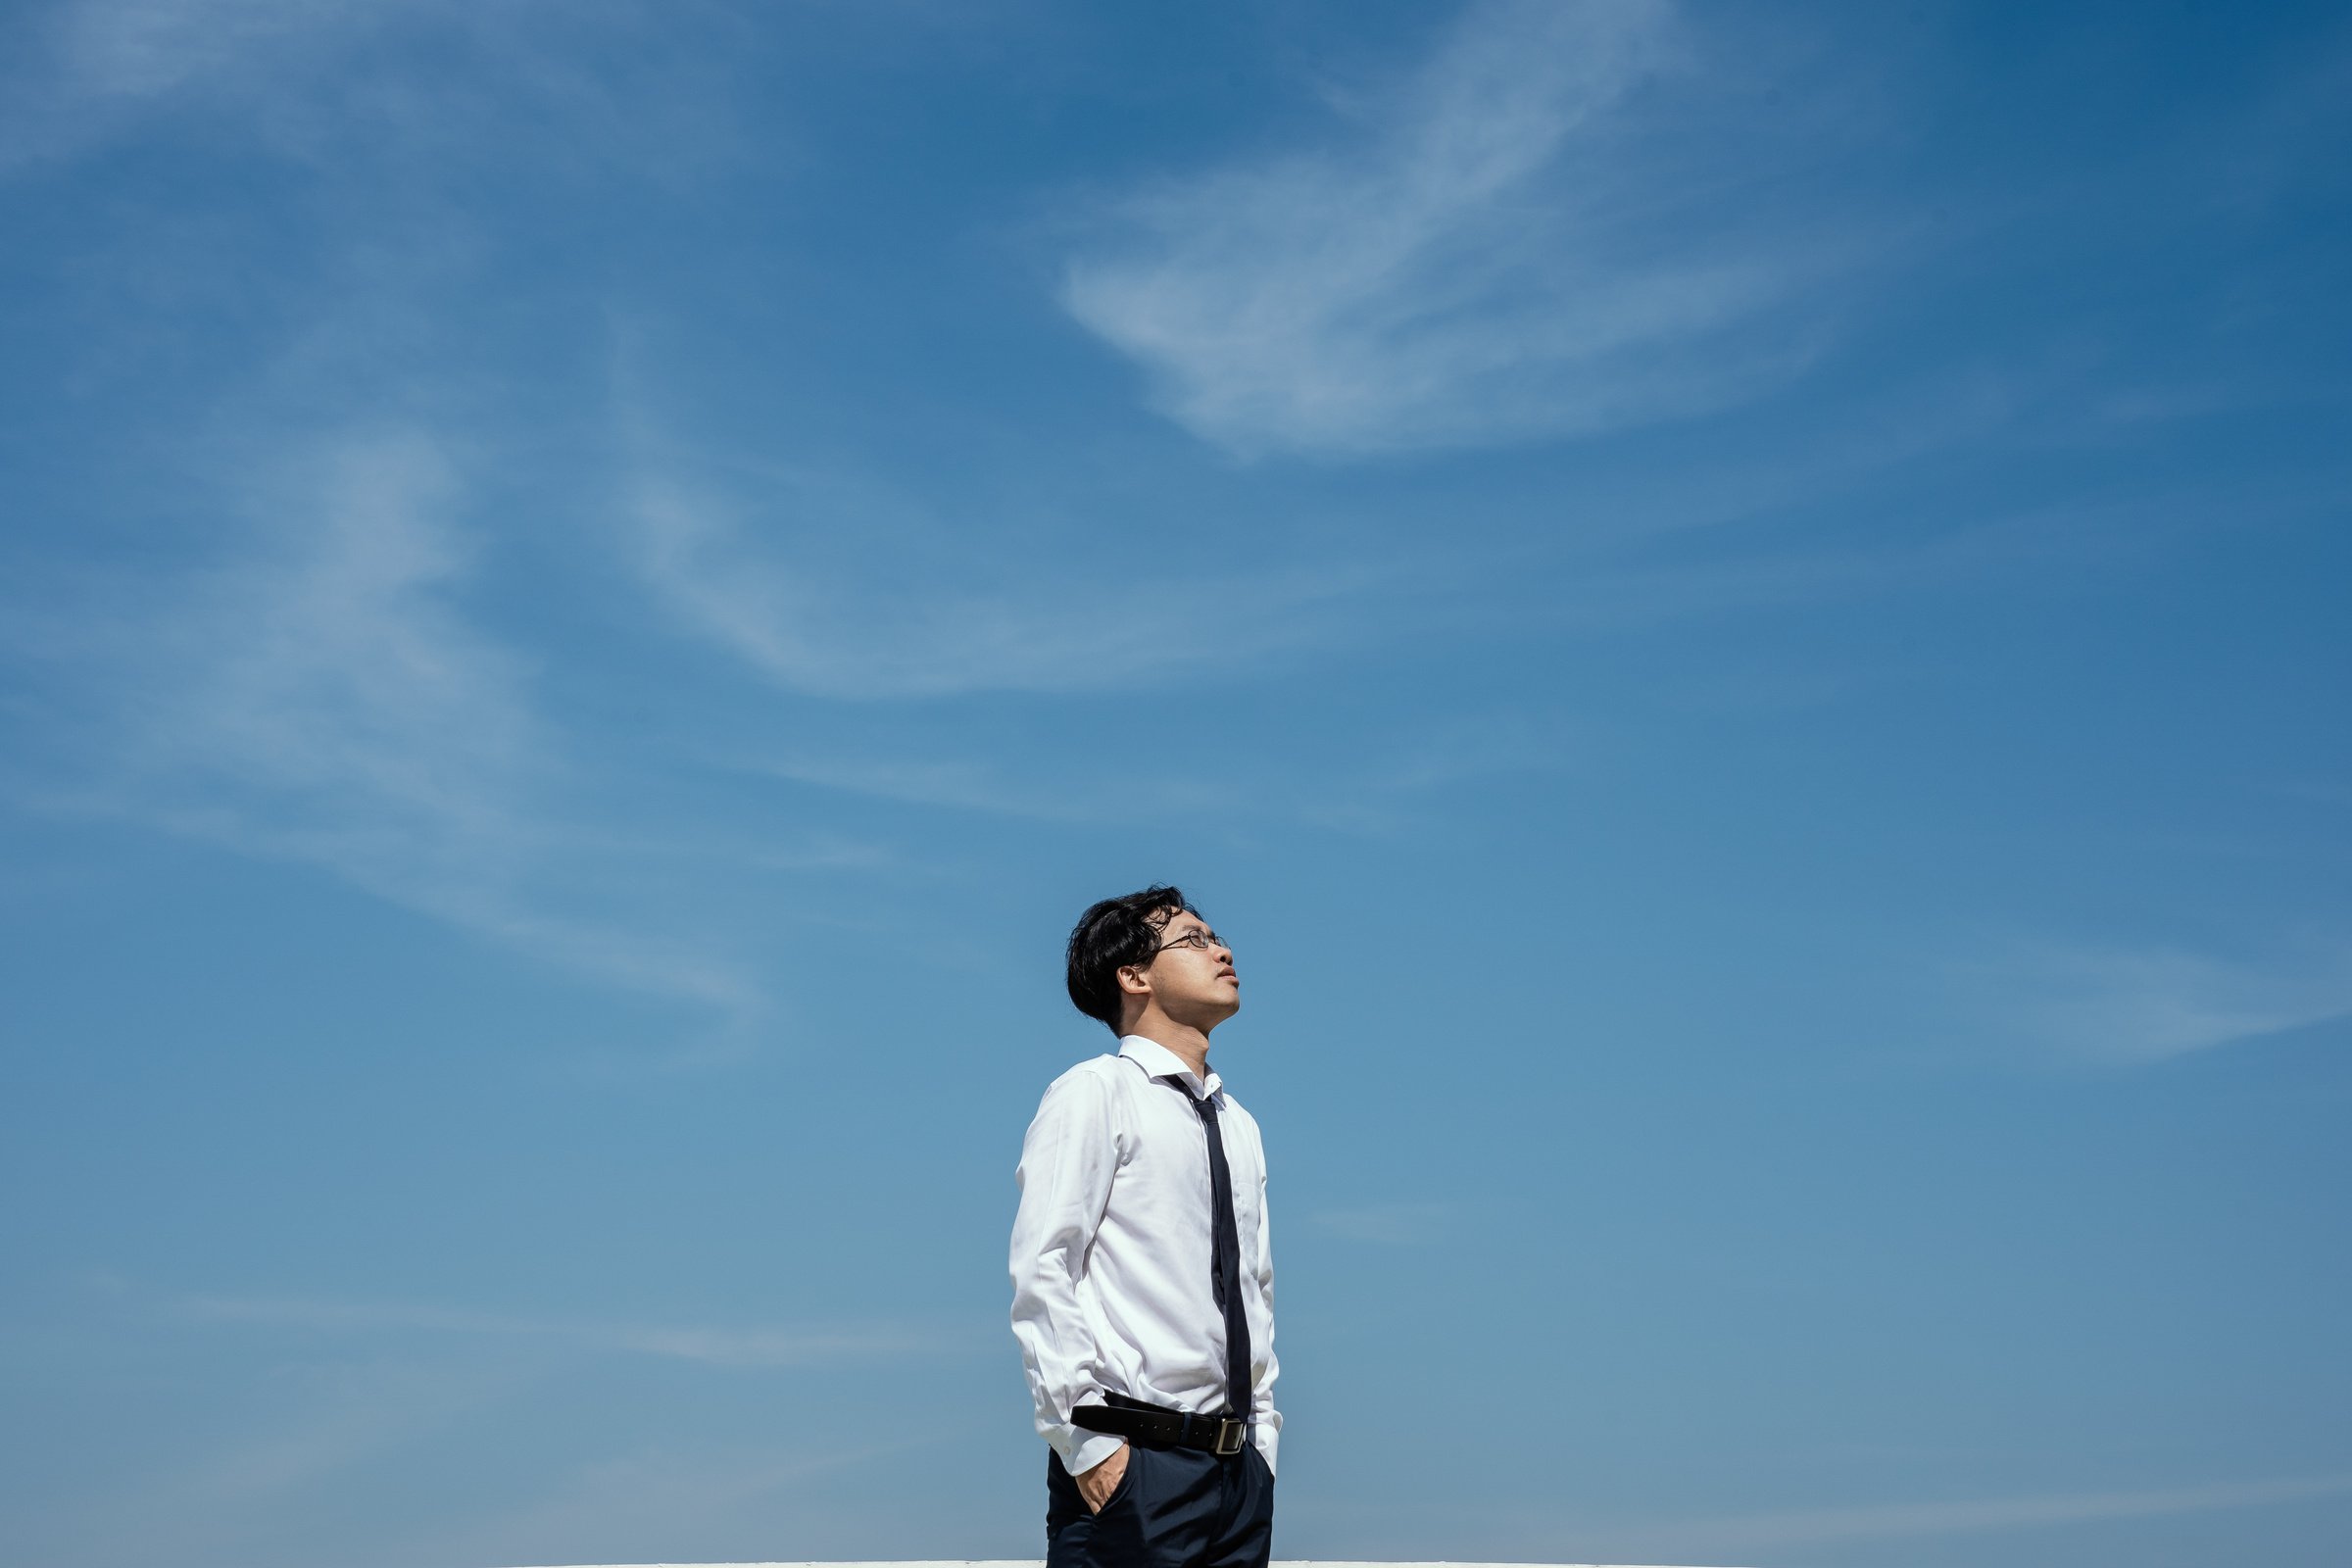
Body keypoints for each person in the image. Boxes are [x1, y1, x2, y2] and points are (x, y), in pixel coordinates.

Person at [1009, 885, 1280, 1568]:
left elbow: (1255, 1289)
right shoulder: (1094, 1092)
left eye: (1218, 936)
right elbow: (1045, 1268)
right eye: (1193, 939)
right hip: (1135, 1467)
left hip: (1236, 1475)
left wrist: (1262, 1448)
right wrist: (1092, 1451)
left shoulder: (1237, 1122)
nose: (1222, 949)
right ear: (1134, 976)